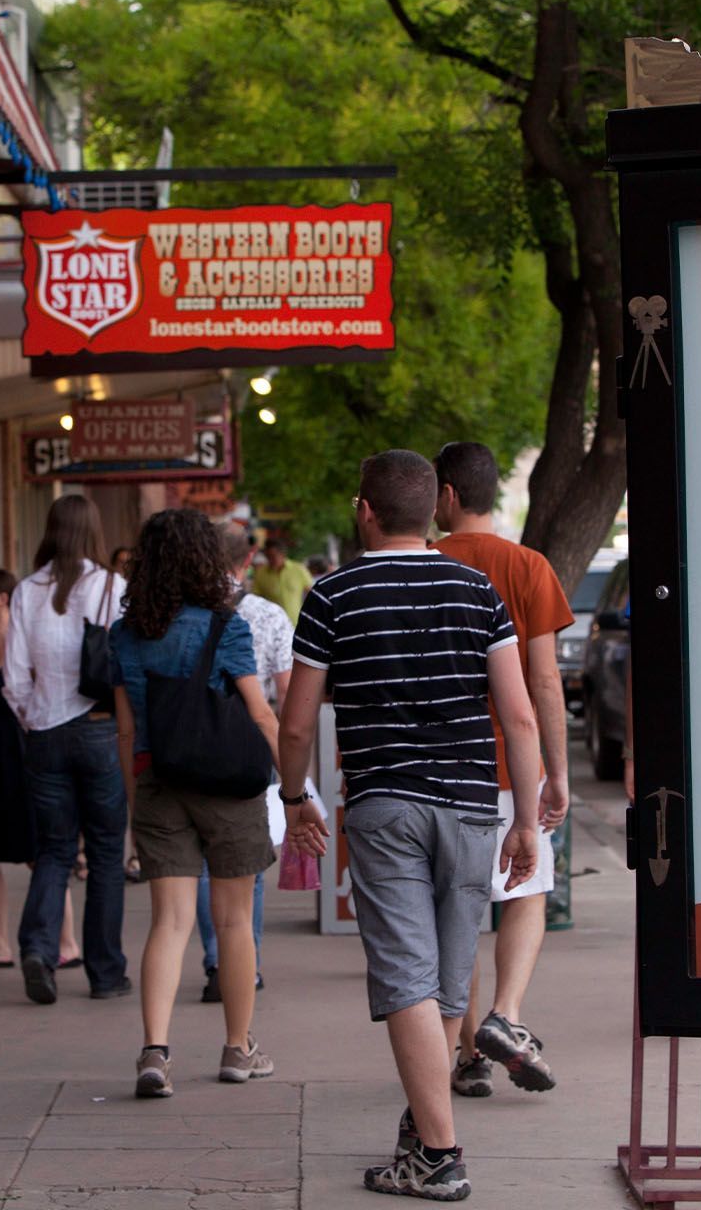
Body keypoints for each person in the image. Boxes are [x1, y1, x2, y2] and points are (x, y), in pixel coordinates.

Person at [279, 449, 543, 1201]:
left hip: (386, 804)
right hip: (468, 803)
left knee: (404, 980)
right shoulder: (477, 591)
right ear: (434, 508)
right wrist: (524, 820)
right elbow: (518, 716)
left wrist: (296, 798)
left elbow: (297, 725)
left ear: (365, 508)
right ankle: (423, 1125)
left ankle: (438, 1154)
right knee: (447, 972)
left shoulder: (333, 595)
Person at [109, 509, 280, 1099]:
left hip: (159, 780)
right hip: (228, 785)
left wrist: (137, 799)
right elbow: (259, 713)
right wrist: (298, 786)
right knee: (234, 921)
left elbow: (126, 731)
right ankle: (238, 1048)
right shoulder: (224, 625)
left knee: (170, 921)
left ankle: (154, 1051)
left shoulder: (127, 633)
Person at [431, 442, 572, 1097]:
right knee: (525, 896)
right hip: (515, 771)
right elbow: (544, 682)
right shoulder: (528, 567)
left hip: (437, 772)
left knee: (453, 914)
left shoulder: (420, 564)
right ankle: (506, 1016)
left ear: (447, 496)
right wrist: (556, 774)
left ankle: (465, 1055)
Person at [5, 494, 133, 1004]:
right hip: (100, 730)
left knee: (55, 850)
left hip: (44, 734)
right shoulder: (110, 585)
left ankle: (38, 950)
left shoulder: (24, 590)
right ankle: (105, 973)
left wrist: (34, 718)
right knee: (105, 854)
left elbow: (13, 678)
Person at [0, 569, 80, 970]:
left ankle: (67, 942)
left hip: (24, 756)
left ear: (3, 598)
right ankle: (0, 944)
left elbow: (48, 700)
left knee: (39, 852)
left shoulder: (26, 647)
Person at [195, 521, 295, 1004]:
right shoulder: (269, 615)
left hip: (188, 746)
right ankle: (244, 964)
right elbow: (287, 695)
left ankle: (215, 960)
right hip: (250, 749)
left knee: (198, 863)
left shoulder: (176, 612)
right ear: (245, 562)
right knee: (248, 863)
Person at [250, 539, 312, 623]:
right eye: (267, 556)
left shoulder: (298, 569)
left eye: (273, 556)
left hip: (296, 622)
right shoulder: (260, 573)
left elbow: (311, 594)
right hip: (272, 623)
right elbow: (255, 598)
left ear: (282, 554)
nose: (270, 559)